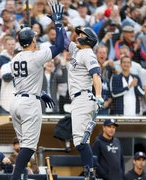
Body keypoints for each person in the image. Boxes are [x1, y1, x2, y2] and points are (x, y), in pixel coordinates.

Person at [8, 1, 64, 179]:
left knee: (24, 145)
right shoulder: (36, 56)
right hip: (29, 104)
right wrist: (59, 23)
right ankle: (15, 177)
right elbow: (60, 45)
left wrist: (41, 93)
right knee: (29, 147)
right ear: (32, 40)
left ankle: (21, 175)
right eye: (35, 38)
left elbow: (26, 80)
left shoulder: (15, 58)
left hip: (16, 102)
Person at [63, 25, 104, 178]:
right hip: (78, 100)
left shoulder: (88, 54)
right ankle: (90, 172)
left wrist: (98, 95)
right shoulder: (78, 51)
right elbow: (64, 41)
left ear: (89, 39)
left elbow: (96, 75)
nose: (78, 35)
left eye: (81, 34)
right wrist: (59, 24)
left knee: (80, 142)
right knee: (80, 141)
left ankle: (89, 174)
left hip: (83, 98)